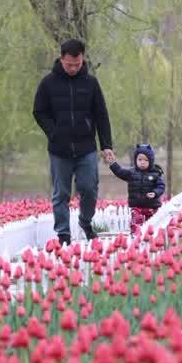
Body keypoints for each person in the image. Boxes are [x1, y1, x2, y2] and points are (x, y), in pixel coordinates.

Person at [33, 39, 114, 245]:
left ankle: (85, 221)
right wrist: (54, 132)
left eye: (77, 64)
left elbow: (101, 115)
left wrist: (106, 145)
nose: (73, 68)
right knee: (61, 193)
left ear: (82, 59)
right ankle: (63, 234)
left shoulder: (91, 83)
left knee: (89, 188)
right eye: (69, 64)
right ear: (62, 59)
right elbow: (39, 112)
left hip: (86, 147)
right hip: (59, 150)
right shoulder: (48, 83)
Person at [107, 144, 166, 235]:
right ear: (135, 160)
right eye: (140, 159)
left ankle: (152, 239)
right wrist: (113, 164)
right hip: (137, 206)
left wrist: (155, 193)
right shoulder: (131, 173)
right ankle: (135, 237)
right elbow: (120, 172)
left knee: (152, 225)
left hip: (152, 206)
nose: (142, 162)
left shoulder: (156, 173)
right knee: (136, 222)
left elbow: (161, 186)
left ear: (151, 161)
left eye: (146, 160)